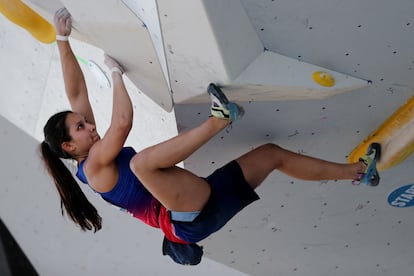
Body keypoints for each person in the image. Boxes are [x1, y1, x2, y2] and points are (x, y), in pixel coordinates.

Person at [40, 8, 380, 265]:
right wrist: (116, 74)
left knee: (271, 155)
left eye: (85, 122)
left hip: (199, 202)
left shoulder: (88, 147)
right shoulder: (95, 165)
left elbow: (76, 92)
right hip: (183, 221)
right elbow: (122, 124)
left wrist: (63, 39)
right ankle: (219, 120)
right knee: (142, 163)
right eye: (82, 128)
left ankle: (359, 173)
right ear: (70, 147)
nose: (90, 126)